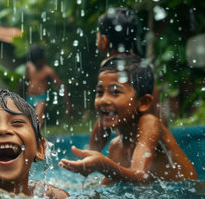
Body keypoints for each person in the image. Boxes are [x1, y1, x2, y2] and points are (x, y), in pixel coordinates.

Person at [59, 55, 197, 184]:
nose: (103, 100)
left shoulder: (150, 123)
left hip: (193, 196)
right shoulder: (116, 146)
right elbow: (106, 187)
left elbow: (140, 176)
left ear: (143, 102)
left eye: (115, 92)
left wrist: (102, 165)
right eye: (100, 92)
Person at [90, 7, 163, 151]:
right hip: (153, 140)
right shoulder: (137, 66)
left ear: (104, 40)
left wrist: (89, 155)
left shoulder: (109, 69)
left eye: (97, 35)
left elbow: (102, 127)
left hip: (142, 142)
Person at [25, 45, 70, 126]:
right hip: (29, 97)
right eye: (33, 62)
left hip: (40, 98)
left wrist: (67, 104)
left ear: (43, 59)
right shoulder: (29, 67)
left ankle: (37, 136)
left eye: (37, 62)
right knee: (27, 120)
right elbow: (27, 80)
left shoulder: (48, 71)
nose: (35, 64)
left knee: (38, 120)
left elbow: (61, 86)